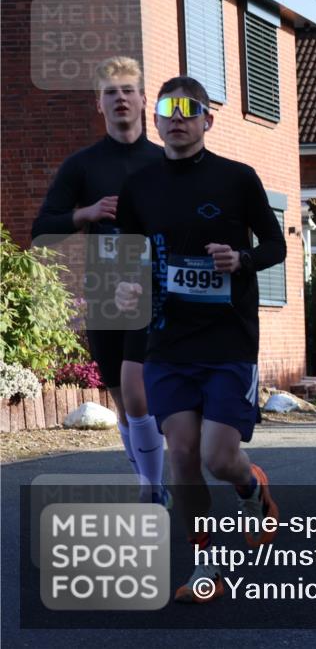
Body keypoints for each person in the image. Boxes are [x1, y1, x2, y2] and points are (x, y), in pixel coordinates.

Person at [114, 76, 286, 603]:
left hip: (228, 339)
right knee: (183, 455)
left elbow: (276, 245)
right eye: (168, 108)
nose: (178, 117)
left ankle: (251, 484)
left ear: (208, 120)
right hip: (167, 339)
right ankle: (204, 566)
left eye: (191, 109)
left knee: (218, 457)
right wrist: (125, 289)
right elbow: (130, 258)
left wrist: (242, 260)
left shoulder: (239, 178)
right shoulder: (140, 188)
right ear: (157, 118)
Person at [31, 56, 167, 504]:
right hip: (105, 290)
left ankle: (152, 488)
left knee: (136, 389)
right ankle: (149, 476)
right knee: (121, 398)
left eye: (129, 90)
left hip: (154, 290)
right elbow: (41, 230)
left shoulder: (164, 160)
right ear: (99, 104)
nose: (121, 98)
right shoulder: (83, 165)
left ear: (144, 99)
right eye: (111, 92)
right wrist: (87, 213)